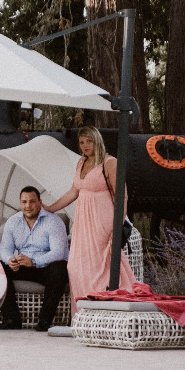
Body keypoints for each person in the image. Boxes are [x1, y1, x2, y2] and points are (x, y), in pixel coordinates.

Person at [47, 126, 134, 301]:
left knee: (101, 267)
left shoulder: (110, 163)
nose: (85, 145)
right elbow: (73, 192)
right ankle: (83, 311)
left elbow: (122, 197)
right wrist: (49, 208)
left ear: (97, 141)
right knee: (76, 266)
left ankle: (105, 309)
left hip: (103, 222)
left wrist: (117, 227)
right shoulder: (81, 162)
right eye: (81, 142)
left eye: (89, 141)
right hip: (83, 224)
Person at [0, 185, 69, 331]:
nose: (28, 206)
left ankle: (44, 320)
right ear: (20, 203)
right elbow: (5, 248)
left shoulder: (53, 221)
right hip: (23, 265)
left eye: (32, 201)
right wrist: (10, 260)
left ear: (40, 203)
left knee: (60, 268)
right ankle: (12, 319)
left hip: (46, 268)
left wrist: (34, 262)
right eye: (24, 202)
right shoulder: (13, 222)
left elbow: (59, 252)